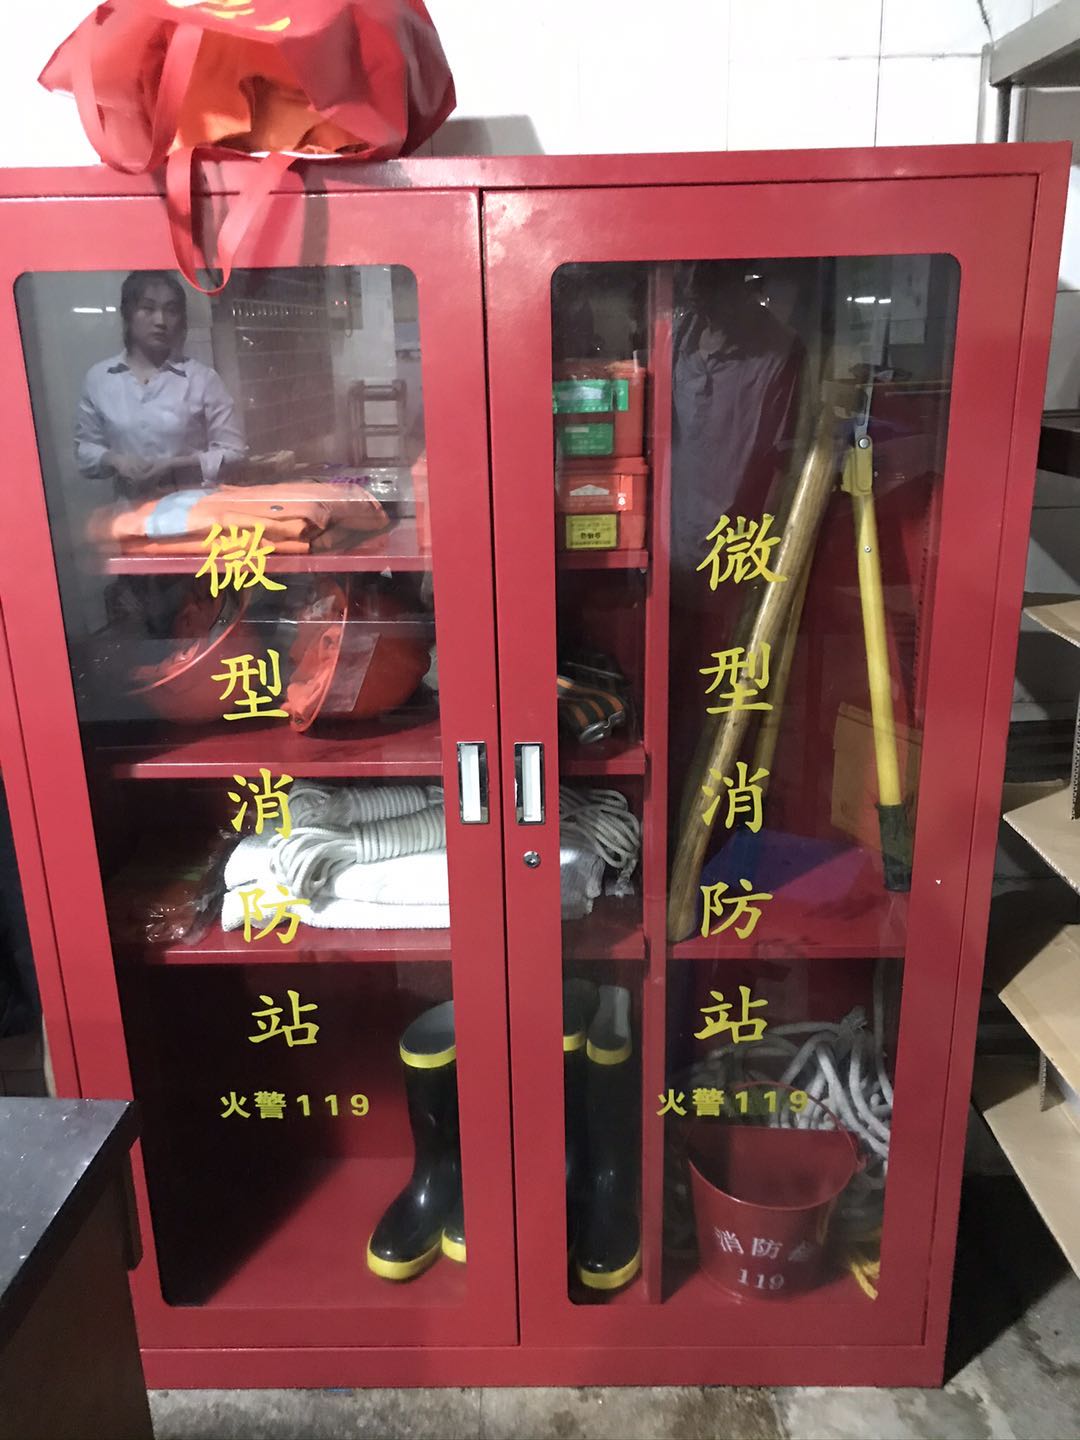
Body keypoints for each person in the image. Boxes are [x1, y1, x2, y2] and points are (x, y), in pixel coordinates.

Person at [75, 270, 246, 496]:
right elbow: (85, 450)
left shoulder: (202, 379)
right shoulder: (100, 379)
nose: (160, 321)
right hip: (130, 510)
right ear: (128, 313)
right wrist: (115, 460)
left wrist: (176, 466)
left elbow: (235, 453)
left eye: (171, 310)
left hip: (193, 507)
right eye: (148, 308)